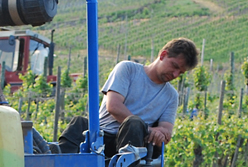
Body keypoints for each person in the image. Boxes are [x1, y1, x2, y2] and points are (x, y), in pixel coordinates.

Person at [57, 38, 199, 158]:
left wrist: (158, 134)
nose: (175, 75)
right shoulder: (128, 70)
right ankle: (59, 166)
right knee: (79, 123)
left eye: (180, 73)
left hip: (133, 144)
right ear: (163, 55)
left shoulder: (171, 96)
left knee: (134, 124)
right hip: (101, 138)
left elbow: (166, 132)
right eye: (174, 66)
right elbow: (113, 106)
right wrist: (149, 130)